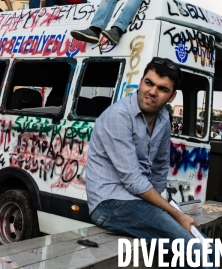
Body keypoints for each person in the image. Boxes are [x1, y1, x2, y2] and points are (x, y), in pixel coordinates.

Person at [86, 58, 214, 267]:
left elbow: (161, 166)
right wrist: (173, 213)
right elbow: (132, 180)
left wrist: (159, 207)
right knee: (195, 250)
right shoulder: (118, 116)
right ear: (141, 81)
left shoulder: (163, 118)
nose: (152, 91)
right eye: (149, 83)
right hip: (109, 203)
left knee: (206, 245)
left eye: (162, 88)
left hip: (137, 201)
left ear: (172, 97)